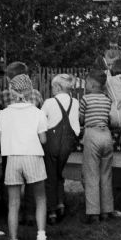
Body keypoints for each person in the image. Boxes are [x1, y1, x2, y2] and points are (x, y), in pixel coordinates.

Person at [0, 74, 51, 240]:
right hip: (33, 156)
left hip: (13, 158)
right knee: (40, 198)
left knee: (13, 202)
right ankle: (41, 237)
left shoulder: (3, 114)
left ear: (11, 90)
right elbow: (43, 139)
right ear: (30, 90)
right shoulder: (38, 112)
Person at [41, 73, 80, 224]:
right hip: (68, 143)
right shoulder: (75, 102)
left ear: (57, 87)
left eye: (52, 87)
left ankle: (51, 211)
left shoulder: (49, 102)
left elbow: (41, 120)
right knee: (58, 173)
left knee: (50, 176)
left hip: (52, 141)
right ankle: (61, 204)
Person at [79, 70, 114, 224]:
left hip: (92, 134)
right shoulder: (107, 99)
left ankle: (93, 213)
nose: (85, 85)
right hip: (106, 135)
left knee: (91, 174)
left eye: (86, 82)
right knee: (106, 174)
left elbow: (81, 118)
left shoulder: (85, 99)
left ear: (93, 84)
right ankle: (107, 210)